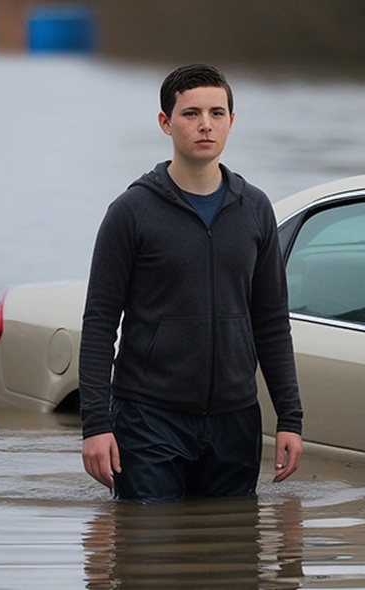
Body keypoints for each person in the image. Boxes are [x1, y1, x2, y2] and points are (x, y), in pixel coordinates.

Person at [79, 63, 303, 502]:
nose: (205, 125)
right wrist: (95, 426)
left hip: (235, 421)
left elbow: (272, 322)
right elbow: (101, 322)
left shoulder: (254, 209)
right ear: (165, 122)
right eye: (191, 113)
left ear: (231, 122)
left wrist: (289, 418)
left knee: (233, 558)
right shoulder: (131, 212)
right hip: (148, 420)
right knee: (149, 557)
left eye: (217, 114)